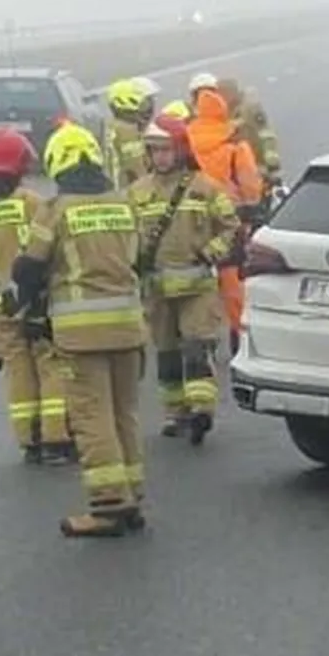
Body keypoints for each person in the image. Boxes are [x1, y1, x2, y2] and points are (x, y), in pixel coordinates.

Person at [8, 124, 149, 538]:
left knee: (91, 416)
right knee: (125, 414)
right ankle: (132, 496)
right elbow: (140, 258)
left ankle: (108, 507)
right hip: (127, 326)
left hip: (81, 335)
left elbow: (28, 268)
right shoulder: (125, 204)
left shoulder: (56, 210)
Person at [0, 127, 72, 465]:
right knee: (50, 365)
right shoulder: (32, 203)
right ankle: (56, 438)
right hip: (34, 302)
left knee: (17, 372)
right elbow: (50, 249)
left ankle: (29, 440)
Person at [130, 111, 239, 443]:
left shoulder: (204, 188)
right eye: (153, 150)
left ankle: (201, 412)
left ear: (180, 149)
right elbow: (126, 236)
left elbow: (232, 228)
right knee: (166, 356)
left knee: (195, 349)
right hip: (157, 290)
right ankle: (174, 414)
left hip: (197, 289)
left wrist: (211, 252)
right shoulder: (136, 192)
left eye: (165, 149)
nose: (159, 156)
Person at [187, 86, 266, 353]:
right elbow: (251, 189)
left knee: (194, 289)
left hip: (192, 226)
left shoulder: (186, 142)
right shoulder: (235, 148)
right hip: (229, 226)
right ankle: (239, 342)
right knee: (234, 290)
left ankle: (198, 340)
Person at [196, 71, 282, 196]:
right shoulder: (220, 112)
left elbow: (266, 136)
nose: (220, 97)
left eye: (223, 93)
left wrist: (271, 165)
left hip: (256, 164)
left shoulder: (251, 110)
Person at [102, 77, 157, 191]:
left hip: (113, 188)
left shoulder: (111, 126)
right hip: (126, 189)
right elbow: (136, 167)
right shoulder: (127, 131)